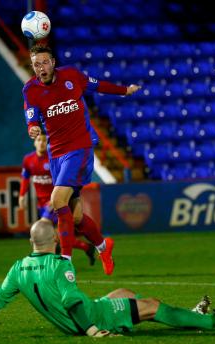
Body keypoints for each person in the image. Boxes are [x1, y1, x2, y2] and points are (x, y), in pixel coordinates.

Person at [0, 220, 215, 339]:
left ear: (31, 242)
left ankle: (190, 319)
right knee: (153, 305)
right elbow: (72, 301)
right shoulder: (60, 265)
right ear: (57, 239)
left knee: (125, 292)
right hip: (91, 316)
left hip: (82, 314)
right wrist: (93, 330)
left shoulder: (18, 268)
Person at [22, 45, 141, 275]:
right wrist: (33, 128)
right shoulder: (30, 89)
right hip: (56, 153)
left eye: (45, 63)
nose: (41, 68)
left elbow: (98, 86)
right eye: (36, 65)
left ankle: (65, 262)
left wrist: (124, 90)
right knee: (75, 217)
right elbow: (31, 116)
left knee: (57, 200)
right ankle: (103, 247)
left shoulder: (71, 76)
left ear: (53, 62)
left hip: (80, 147)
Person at [19, 134, 96, 266]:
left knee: (42, 228)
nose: (42, 143)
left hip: (54, 202)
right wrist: (21, 195)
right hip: (41, 204)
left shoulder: (54, 159)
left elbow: (62, 180)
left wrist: (56, 197)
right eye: (39, 140)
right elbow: (25, 178)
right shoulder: (28, 160)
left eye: (44, 140)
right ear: (34, 143)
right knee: (58, 236)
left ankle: (39, 262)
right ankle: (86, 247)